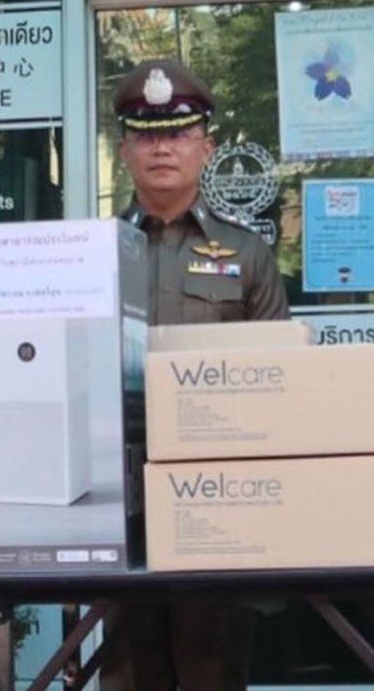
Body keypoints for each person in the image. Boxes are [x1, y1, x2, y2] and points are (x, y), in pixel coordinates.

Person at [101, 58, 290, 691]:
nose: (162, 148)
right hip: (116, 497)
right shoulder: (92, 252)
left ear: (206, 149)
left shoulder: (247, 254)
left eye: (179, 134)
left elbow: (281, 383)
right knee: (129, 673)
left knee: (214, 668)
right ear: (124, 151)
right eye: (145, 135)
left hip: (219, 496)